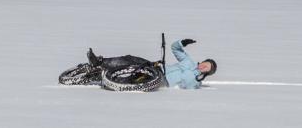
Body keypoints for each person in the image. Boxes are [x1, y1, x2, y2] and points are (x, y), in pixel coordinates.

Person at [87, 38, 217, 89]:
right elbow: (174, 48)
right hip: (159, 68)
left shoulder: (196, 82)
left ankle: (110, 81)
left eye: (206, 68)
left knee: (136, 76)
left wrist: (196, 76)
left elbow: (186, 85)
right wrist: (182, 43)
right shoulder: (188, 61)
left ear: (206, 73)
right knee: (131, 59)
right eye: (205, 63)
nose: (203, 66)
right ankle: (100, 62)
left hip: (161, 80)